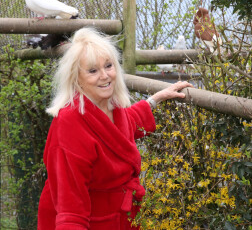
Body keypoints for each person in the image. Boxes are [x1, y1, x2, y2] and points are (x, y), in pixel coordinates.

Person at [37, 27, 193, 230]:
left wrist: (155, 99)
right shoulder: (69, 124)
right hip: (88, 221)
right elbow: (70, 209)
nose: (105, 76)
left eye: (108, 66)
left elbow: (123, 126)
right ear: (76, 78)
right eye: (93, 71)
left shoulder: (112, 107)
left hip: (118, 218)